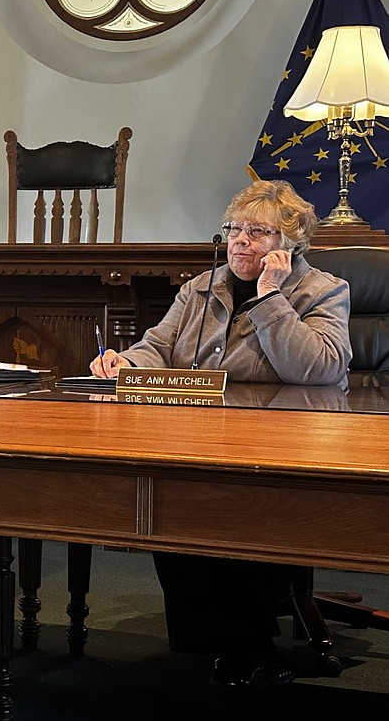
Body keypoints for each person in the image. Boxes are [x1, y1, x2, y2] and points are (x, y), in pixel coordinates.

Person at [90, 180, 353, 689]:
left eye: (259, 232)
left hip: (281, 444)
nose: (240, 241)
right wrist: (125, 363)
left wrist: (270, 298)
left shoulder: (322, 291)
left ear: (290, 244)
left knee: (225, 509)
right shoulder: (200, 289)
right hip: (197, 438)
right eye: (234, 229)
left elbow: (319, 367)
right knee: (168, 507)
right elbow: (158, 347)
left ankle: (251, 648)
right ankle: (219, 640)